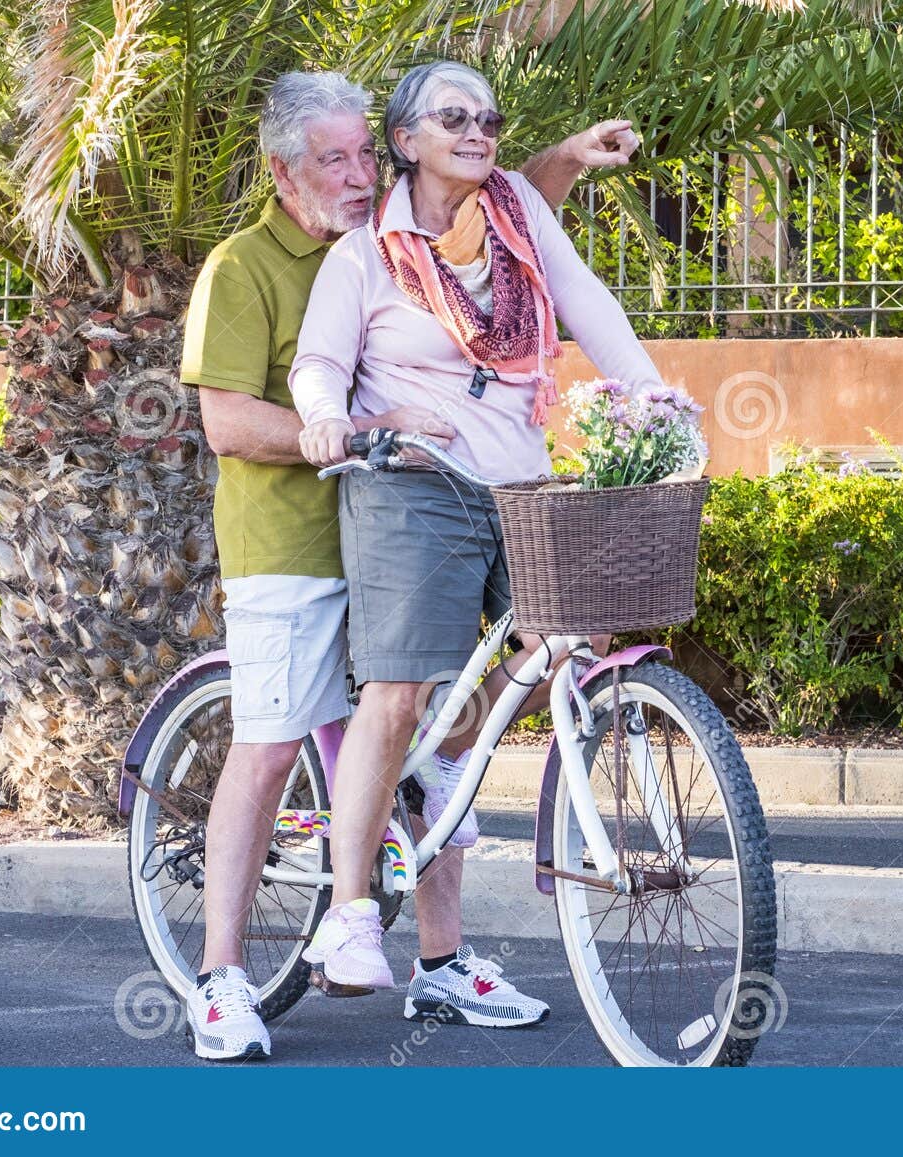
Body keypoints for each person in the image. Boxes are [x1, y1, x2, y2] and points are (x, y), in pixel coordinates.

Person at [177, 68, 639, 1061]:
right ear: (283, 169)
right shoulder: (249, 266)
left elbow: (513, 225)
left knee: (434, 735)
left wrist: (556, 162)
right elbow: (223, 419)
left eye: (357, 155)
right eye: (330, 158)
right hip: (293, 542)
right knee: (269, 744)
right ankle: (219, 974)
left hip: (414, 506)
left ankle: (440, 959)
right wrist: (344, 425)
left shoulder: (414, 226)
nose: (351, 174)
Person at [288, 60, 663, 1029]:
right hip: (410, 484)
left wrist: (652, 395)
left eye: (489, 116)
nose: (479, 130)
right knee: (399, 689)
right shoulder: (364, 255)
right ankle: (352, 913)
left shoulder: (515, 220)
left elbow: (588, 306)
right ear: (404, 140)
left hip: (518, 483)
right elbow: (320, 364)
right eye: (452, 116)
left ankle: (433, 781)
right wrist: (330, 417)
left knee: (543, 657)